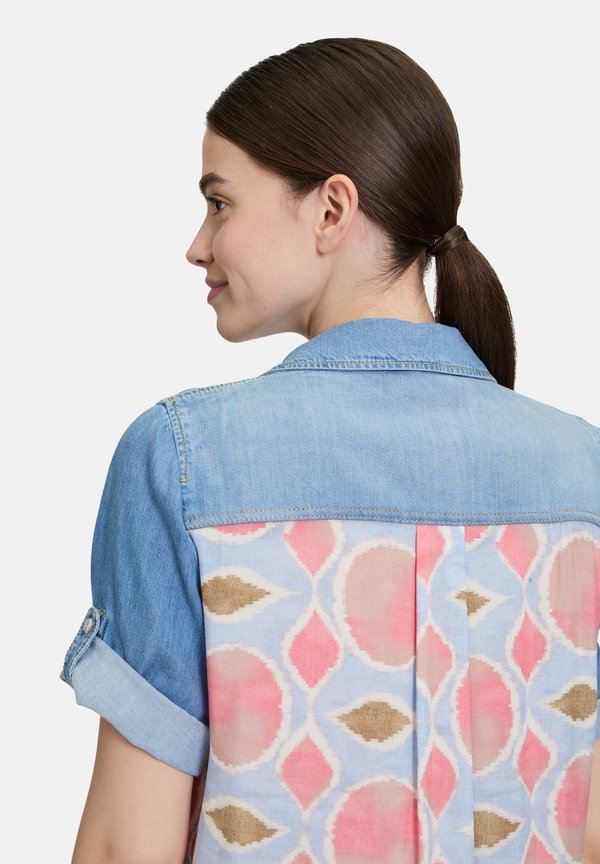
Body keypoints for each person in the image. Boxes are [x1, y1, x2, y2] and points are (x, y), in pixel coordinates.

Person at [59, 37, 600, 864]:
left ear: (331, 210)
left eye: (219, 202)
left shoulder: (183, 461)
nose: (198, 245)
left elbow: (125, 848)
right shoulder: (582, 471)